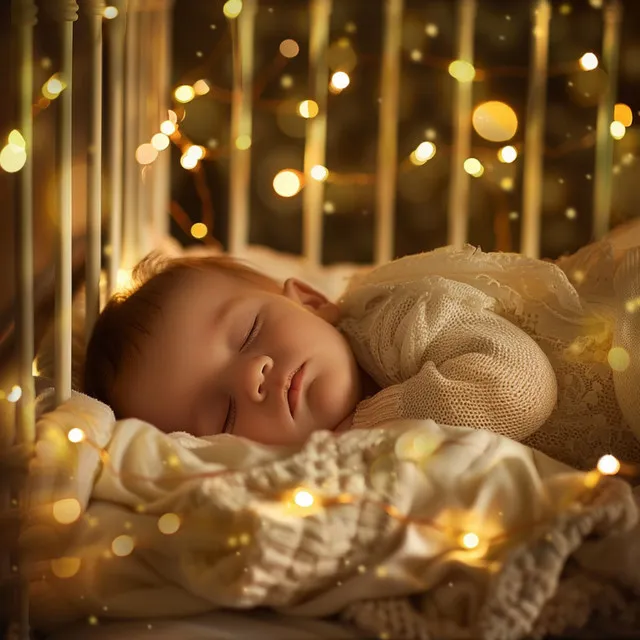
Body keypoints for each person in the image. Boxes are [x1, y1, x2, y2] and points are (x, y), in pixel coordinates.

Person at [82, 234, 640, 471]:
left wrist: (369, 426)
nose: (254, 376)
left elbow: (515, 390)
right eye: (224, 413)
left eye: (250, 332)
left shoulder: (398, 319)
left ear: (312, 300)